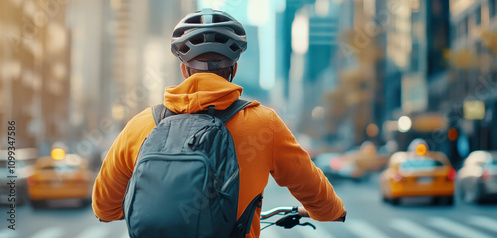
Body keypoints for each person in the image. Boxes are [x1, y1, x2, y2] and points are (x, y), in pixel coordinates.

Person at [92, 8, 345, 237]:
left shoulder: (142, 124)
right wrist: (333, 212)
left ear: (184, 70)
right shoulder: (265, 124)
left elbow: (104, 207)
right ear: (233, 70)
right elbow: (316, 194)